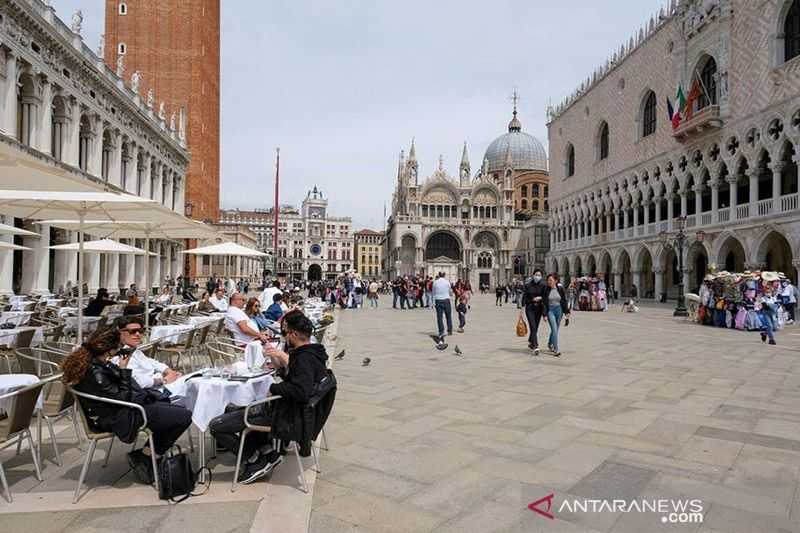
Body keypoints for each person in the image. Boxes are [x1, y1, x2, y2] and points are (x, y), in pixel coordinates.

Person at [210, 312, 331, 484]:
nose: (285, 336)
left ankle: (255, 460)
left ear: (294, 334)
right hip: (293, 412)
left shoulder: (304, 358)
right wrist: (277, 359)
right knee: (233, 409)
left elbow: (300, 391)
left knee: (216, 426)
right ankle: (266, 450)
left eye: (287, 332)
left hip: (286, 416)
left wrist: (271, 388)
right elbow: (295, 378)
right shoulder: (314, 353)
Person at [61, 327, 192, 485]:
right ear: (109, 349)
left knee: (177, 411)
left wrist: (120, 368)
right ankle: (147, 456)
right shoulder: (96, 372)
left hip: (123, 409)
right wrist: (123, 370)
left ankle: (150, 454)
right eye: (116, 348)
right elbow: (123, 395)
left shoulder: (91, 362)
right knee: (184, 416)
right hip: (120, 416)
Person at [113, 316, 182, 389]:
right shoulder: (119, 356)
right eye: (132, 331)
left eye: (140, 331)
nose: (138, 334)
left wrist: (168, 371)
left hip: (160, 383)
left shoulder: (132, 349)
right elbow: (138, 382)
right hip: (151, 392)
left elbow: (150, 362)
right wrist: (164, 380)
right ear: (120, 333)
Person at [522, 269, 547, 355]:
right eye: (536, 274)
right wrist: (532, 299)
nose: (537, 276)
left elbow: (545, 299)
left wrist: (544, 313)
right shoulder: (528, 285)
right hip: (530, 308)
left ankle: (531, 340)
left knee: (535, 327)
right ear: (533, 275)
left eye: (539, 275)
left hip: (539, 308)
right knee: (532, 326)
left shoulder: (544, 286)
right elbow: (524, 297)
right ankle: (536, 346)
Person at [545, 274, 570, 357]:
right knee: (554, 328)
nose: (549, 282)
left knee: (555, 330)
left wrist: (567, 312)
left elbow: (564, 300)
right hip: (550, 310)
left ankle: (549, 344)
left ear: (556, 281)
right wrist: (544, 314)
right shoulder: (546, 290)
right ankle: (556, 349)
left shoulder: (560, 289)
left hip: (559, 310)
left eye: (551, 280)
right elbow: (544, 303)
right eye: (548, 280)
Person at [432, 272, 453, 342]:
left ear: (438, 275)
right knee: (448, 316)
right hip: (446, 300)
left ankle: (441, 331)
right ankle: (449, 330)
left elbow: (433, 293)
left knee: (439, 317)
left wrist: (433, 302)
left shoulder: (435, 282)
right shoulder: (447, 282)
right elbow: (450, 292)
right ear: (444, 275)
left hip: (438, 300)